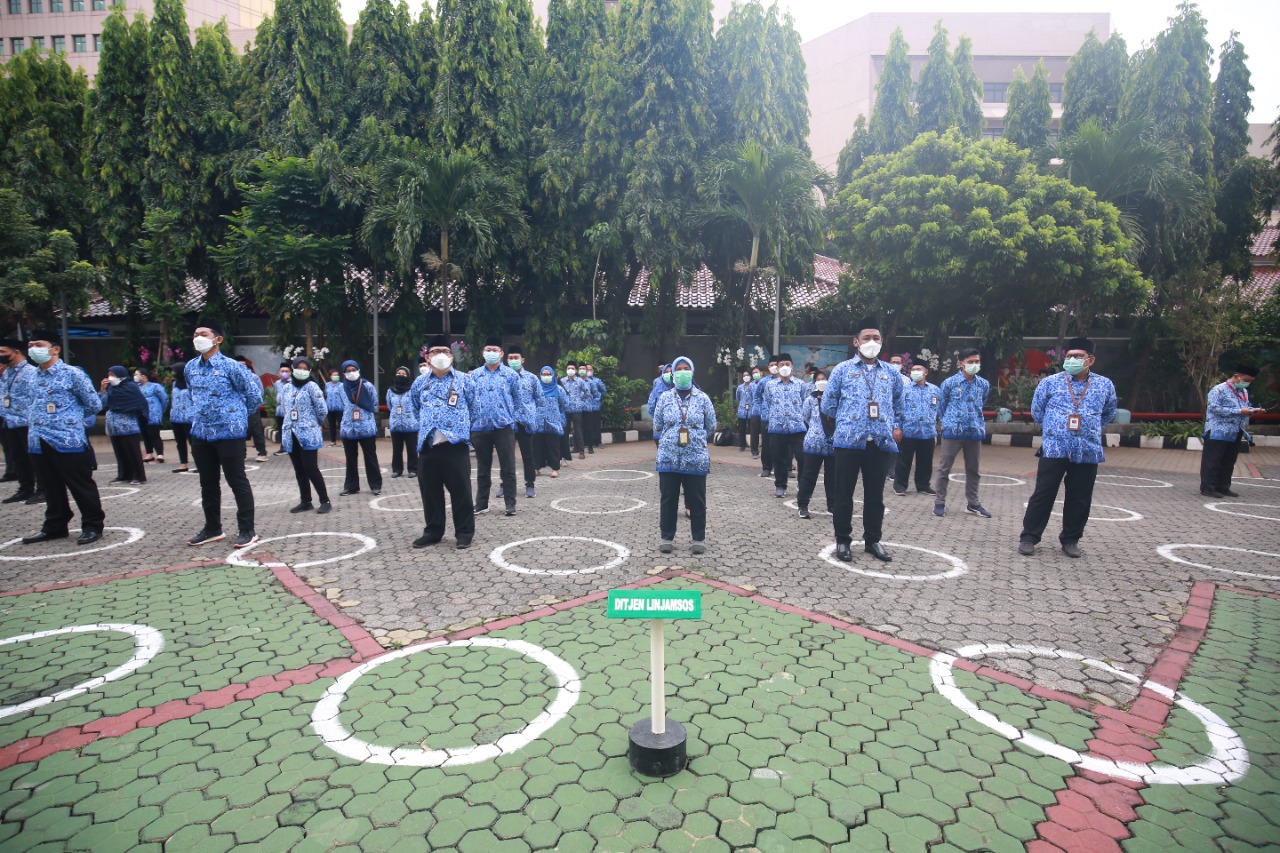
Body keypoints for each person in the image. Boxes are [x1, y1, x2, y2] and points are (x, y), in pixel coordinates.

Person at [1018, 337, 1117, 558]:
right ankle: (1029, 537)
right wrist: (1055, 428)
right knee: (1043, 493)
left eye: (1078, 356)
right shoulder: (1050, 382)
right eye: (1069, 356)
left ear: (1090, 360)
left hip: (1087, 449)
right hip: (1055, 447)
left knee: (1080, 497)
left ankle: (1071, 540)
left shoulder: (1104, 385)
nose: (1072, 359)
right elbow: (1037, 410)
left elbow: (1109, 412)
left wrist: (1088, 427)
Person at [821, 317, 903, 564]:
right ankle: (843, 540)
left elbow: (899, 402)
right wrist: (843, 428)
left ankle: (873, 540)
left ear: (882, 342)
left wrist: (895, 425)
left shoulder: (890, 372)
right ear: (856, 342)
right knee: (843, 494)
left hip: (878, 443)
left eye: (876, 338)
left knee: (875, 496)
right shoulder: (842, 370)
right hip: (848, 442)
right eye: (866, 338)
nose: (871, 342)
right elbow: (828, 404)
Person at [18, 331, 105, 546]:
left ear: (55, 349)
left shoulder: (72, 374)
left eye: (38, 344)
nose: (33, 349)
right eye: (30, 345)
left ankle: (93, 525)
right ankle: (55, 526)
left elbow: (94, 404)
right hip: (38, 440)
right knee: (50, 486)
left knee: (80, 485)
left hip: (67, 439)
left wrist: (70, 420)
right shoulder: (31, 376)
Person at [186, 321, 263, 548]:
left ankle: (247, 530)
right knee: (207, 482)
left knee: (236, 480)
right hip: (201, 432)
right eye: (196, 333)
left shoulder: (232, 367)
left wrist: (236, 416)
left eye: (204, 334)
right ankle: (212, 528)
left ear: (217, 339)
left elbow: (254, 396)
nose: (198, 337)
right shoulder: (191, 367)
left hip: (229, 432)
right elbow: (193, 394)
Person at [407, 335, 476, 550]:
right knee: (430, 492)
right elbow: (415, 407)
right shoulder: (420, 383)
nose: (441, 356)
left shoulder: (464, 380)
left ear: (452, 357)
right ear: (427, 357)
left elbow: (474, 408)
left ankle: (464, 533)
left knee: (461, 491)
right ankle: (433, 531)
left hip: (455, 446)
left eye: (445, 352)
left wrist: (460, 428)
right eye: (435, 351)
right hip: (428, 446)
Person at [653, 356, 716, 554]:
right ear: (672, 373)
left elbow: (711, 425)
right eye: (678, 368)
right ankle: (667, 537)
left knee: (697, 500)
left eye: (686, 368)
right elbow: (657, 425)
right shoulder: (664, 398)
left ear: (692, 371)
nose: (681, 372)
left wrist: (696, 438)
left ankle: (698, 538)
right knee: (668, 499)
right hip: (668, 458)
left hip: (695, 458)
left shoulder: (703, 398)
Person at [932, 349, 992, 518]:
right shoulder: (949, 383)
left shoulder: (983, 384)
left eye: (977, 362)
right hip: (952, 431)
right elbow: (941, 406)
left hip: (974, 431)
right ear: (960, 363)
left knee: (973, 469)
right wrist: (948, 422)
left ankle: (973, 503)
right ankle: (939, 502)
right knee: (944, 468)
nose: (974, 365)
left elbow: (982, 402)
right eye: (971, 361)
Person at [470, 338, 520, 516]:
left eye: (494, 349)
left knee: (508, 467)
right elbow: (469, 400)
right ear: (483, 353)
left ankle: (510, 503)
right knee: (483, 468)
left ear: (501, 354)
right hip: (480, 427)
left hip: (503, 426)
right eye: (488, 349)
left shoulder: (510, 375)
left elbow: (517, 399)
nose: (491, 352)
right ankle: (481, 504)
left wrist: (510, 417)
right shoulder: (475, 375)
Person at [1200, 365, 1264, 499]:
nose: (1248, 383)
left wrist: (1253, 411)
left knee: (1229, 460)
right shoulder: (1219, 390)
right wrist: (1239, 412)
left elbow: (1244, 408)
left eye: (1251, 381)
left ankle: (1223, 487)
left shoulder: (1243, 392)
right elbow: (1214, 409)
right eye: (1246, 380)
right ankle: (1208, 487)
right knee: (1213, 460)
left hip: (1235, 431)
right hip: (1218, 430)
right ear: (1237, 376)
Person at [278, 355, 332, 514]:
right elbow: (284, 408)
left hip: (308, 432)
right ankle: (305, 500)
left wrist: (316, 423)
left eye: (305, 368)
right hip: (290, 432)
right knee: (299, 469)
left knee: (310, 467)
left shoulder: (312, 387)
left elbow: (322, 410)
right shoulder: (287, 387)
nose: (302, 371)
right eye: (298, 368)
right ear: (293, 368)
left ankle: (325, 500)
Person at [763, 353, 809, 498]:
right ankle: (780, 485)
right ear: (777, 367)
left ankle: (802, 484)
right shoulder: (770, 385)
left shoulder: (801, 385)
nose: (784, 367)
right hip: (777, 427)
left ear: (792, 366)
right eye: (781, 365)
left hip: (797, 427)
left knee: (802, 457)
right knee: (778, 457)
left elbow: (805, 403)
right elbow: (769, 402)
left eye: (787, 364)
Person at [0, 338, 40, 504]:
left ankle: (42, 489)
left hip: (26, 423)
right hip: (10, 422)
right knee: (19, 459)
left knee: (35, 459)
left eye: (3, 352)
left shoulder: (31, 372)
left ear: (16, 352)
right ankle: (25, 488)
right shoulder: (7, 372)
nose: (0, 356)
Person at [338, 359, 382, 497]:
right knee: (350, 458)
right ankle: (351, 486)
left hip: (366, 427)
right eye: (348, 371)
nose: (351, 373)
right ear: (344, 373)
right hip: (348, 428)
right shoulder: (341, 387)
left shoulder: (367, 386)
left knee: (370, 457)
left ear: (358, 370)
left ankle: (375, 485)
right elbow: (341, 405)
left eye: (353, 370)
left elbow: (374, 403)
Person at [98, 366, 148, 485]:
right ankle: (123, 475)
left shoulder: (130, 387)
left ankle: (138, 476)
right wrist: (102, 390)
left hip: (128, 426)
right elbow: (100, 404)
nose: (111, 377)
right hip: (114, 427)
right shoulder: (110, 388)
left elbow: (140, 404)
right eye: (109, 374)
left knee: (132, 452)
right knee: (120, 453)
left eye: (113, 375)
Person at [894, 364, 939, 496]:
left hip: (927, 431)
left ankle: (923, 485)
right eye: (913, 370)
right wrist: (896, 426)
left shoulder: (935, 390)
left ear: (926, 373)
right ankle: (900, 485)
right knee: (903, 460)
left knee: (925, 461)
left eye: (918, 370)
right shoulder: (904, 390)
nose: (915, 372)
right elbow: (896, 409)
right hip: (908, 430)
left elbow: (939, 409)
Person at [796, 371, 835, 518]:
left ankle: (832, 506)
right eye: (818, 379)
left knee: (832, 477)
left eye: (824, 379)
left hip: (832, 443)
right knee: (809, 475)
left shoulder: (835, 399)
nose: (822, 381)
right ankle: (803, 505)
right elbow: (805, 417)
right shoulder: (810, 400)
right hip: (814, 443)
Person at [506, 346, 541, 498]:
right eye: (511, 358)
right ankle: (505, 485)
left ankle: (530, 484)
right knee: (506, 455)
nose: (513, 360)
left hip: (525, 423)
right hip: (507, 422)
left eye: (516, 357)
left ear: (522, 360)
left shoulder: (532, 378)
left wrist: (532, 414)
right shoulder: (503, 377)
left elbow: (540, 399)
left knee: (528, 455)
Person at [234, 355, 269, 462]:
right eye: (239, 365)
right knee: (239, 431)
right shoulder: (233, 378)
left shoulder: (253, 377)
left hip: (252, 408)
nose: (241, 367)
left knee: (256, 429)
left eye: (243, 365)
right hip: (238, 409)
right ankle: (242, 454)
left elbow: (260, 392)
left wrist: (255, 403)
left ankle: (262, 453)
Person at [387, 366, 419, 479]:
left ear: (408, 376)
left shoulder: (413, 390)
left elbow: (417, 405)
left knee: (412, 448)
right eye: (399, 373)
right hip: (395, 424)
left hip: (411, 424)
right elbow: (390, 406)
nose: (401, 375)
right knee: (396, 449)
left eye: (403, 374)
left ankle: (413, 469)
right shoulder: (390, 391)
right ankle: (397, 469)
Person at [535, 366, 567, 478]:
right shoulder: (537, 389)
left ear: (553, 375)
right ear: (540, 375)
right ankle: (537, 468)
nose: (546, 376)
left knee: (553, 446)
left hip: (553, 423)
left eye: (548, 374)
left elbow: (564, 405)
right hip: (538, 423)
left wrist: (561, 419)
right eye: (544, 374)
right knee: (537, 446)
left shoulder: (559, 389)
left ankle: (555, 469)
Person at [135, 368, 168, 464]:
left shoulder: (155, 387)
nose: (135, 377)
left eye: (137, 374)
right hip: (141, 414)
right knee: (145, 434)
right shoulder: (137, 387)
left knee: (154, 434)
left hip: (153, 414)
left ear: (143, 376)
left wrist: (161, 410)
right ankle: (149, 453)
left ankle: (160, 454)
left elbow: (164, 399)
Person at [169, 361, 195, 473]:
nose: (173, 373)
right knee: (180, 442)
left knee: (193, 442)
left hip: (189, 418)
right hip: (176, 417)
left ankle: (200, 463)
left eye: (175, 371)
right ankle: (183, 463)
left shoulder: (191, 384)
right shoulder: (175, 384)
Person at [755, 359, 779, 478]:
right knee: (766, 444)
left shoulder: (784, 381)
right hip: (766, 418)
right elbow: (757, 397)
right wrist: (761, 410)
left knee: (782, 445)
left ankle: (786, 468)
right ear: (768, 367)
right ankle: (766, 467)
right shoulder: (763, 382)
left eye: (776, 365)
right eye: (771, 365)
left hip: (781, 419)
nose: (774, 367)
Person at [561, 361, 588, 459]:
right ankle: (565, 452)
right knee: (565, 430)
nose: (570, 370)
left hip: (577, 408)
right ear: (566, 370)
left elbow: (587, 393)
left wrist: (580, 399)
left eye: (572, 368)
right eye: (568, 368)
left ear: (576, 370)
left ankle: (581, 451)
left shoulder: (580, 381)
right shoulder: (563, 381)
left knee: (578, 430)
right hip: (566, 409)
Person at [646, 364, 673, 446]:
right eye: (666, 372)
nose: (669, 374)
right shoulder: (657, 386)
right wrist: (657, 417)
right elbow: (651, 406)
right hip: (660, 427)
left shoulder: (680, 388)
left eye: (671, 372)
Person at [583, 363, 606, 453]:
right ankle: (586, 442)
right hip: (585, 406)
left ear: (593, 371)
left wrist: (598, 396)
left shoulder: (597, 380)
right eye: (587, 369)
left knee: (596, 425)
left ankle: (598, 442)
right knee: (585, 425)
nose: (588, 371)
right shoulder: (581, 380)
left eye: (590, 369)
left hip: (595, 406)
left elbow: (603, 390)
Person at [324, 367, 344, 446]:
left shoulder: (341, 385)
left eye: (337, 375)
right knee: (331, 425)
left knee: (341, 425)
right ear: (330, 376)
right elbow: (326, 394)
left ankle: (343, 441)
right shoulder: (327, 385)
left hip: (340, 408)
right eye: (334, 375)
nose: (336, 376)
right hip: (330, 408)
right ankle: (333, 441)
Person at [747, 366, 764, 458]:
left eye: (756, 372)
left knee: (765, 433)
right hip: (754, 412)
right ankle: (754, 451)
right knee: (754, 433)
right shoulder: (751, 385)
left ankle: (766, 452)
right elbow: (749, 398)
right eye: (753, 373)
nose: (755, 374)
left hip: (765, 412)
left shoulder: (765, 383)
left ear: (761, 373)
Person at [735, 368, 753, 453]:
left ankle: (753, 446)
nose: (746, 377)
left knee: (752, 429)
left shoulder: (753, 386)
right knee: (742, 429)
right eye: (744, 375)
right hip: (742, 410)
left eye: (747, 375)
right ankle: (742, 445)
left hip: (751, 410)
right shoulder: (740, 387)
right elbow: (737, 397)